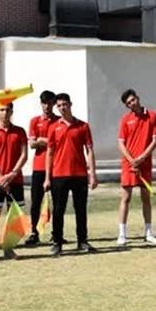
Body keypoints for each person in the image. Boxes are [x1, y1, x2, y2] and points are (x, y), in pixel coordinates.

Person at [44, 93, 97, 256]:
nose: (62, 108)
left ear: (70, 104)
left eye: (64, 104)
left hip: (79, 174)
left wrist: (92, 174)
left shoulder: (82, 126)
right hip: (59, 175)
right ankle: (57, 242)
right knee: (58, 210)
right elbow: (50, 153)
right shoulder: (53, 127)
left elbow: (89, 150)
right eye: (59, 105)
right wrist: (47, 177)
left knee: (80, 209)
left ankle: (82, 241)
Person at [0, 104, 29, 263]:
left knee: (13, 216)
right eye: (2, 110)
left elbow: (24, 155)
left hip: (15, 180)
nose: (5, 113)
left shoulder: (20, 131)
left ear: (12, 111)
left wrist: (12, 174)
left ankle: (8, 248)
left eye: (8, 110)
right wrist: (1, 177)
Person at [116, 88, 156, 245]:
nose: (131, 104)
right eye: (128, 103)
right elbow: (121, 143)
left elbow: (155, 141)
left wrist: (142, 158)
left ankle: (149, 233)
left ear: (138, 98)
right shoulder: (125, 119)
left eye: (133, 100)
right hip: (128, 164)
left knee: (145, 198)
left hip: (145, 164)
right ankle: (122, 234)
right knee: (126, 198)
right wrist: (131, 160)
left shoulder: (152, 116)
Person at [23, 90, 58, 246]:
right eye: (44, 103)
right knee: (36, 202)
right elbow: (31, 144)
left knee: (57, 202)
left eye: (50, 103)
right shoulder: (34, 121)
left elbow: (59, 143)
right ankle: (33, 232)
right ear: (41, 104)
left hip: (56, 166)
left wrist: (41, 140)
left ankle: (57, 233)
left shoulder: (59, 121)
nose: (47, 106)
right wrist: (49, 140)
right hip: (39, 166)